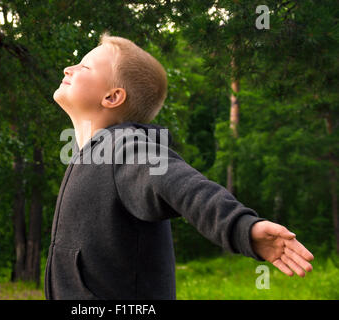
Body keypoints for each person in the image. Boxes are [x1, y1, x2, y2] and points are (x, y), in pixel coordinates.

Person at [45, 32, 314, 300]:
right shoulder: (92, 156)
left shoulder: (126, 146)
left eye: (84, 66)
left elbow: (185, 186)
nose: (69, 68)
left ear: (113, 97)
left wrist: (242, 227)